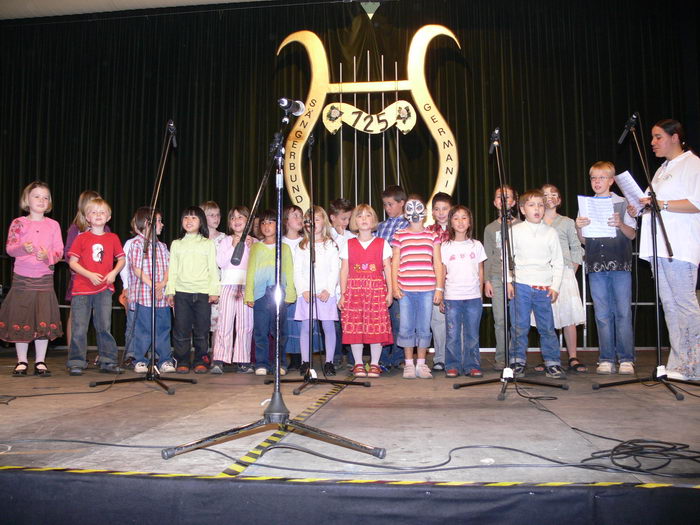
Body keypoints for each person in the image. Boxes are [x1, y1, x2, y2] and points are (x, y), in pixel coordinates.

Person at [629, 119, 700, 380]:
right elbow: (652, 202)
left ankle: (695, 364)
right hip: (658, 247)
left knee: (685, 305)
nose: (653, 142)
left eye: (658, 137)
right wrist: (638, 207)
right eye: (653, 137)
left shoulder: (693, 164)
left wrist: (662, 203)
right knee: (670, 306)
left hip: (679, 247)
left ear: (675, 137)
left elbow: (696, 202)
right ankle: (679, 363)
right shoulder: (661, 170)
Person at [576, 161, 636, 375]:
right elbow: (583, 241)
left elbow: (632, 234)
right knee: (602, 314)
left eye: (602, 178)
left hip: (620, 264)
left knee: (622, 312)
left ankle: (627, 358)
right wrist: (578, 227)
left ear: (611, 180)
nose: (597, 182)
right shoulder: (586, 204)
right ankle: (606, 357)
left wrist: (621, 224)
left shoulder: (624, 203)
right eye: (593, 178)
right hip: (595, 265)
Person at [0, 182, 63, 377]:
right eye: (37, 196)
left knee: (42, 321)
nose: (41, 200)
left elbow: (59, 252)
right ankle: (21, 360)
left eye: (46, 197)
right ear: (27, 200)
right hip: (22, 280)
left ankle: (41, 361)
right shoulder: (18, 223)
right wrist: (22, 249)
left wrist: (47, 256)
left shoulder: (53, 225)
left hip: (44, 280)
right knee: (21, 319)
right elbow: (10, 248)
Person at [507, 190, 566, 379]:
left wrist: (555, 286)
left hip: (543, 287)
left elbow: (558, 261)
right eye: (532, 205)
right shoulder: (514, 231)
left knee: (547, 327)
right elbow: (506, 259)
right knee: (519, 326)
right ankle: (517, 360)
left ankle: (552, 362)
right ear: (523, 209)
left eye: (541, 205)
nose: (537, 209)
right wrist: (509, 282)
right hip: (521, 285)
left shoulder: (551, 232)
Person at [66, 198, 125, 375]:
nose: (98, 215)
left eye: (102, 212)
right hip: (82, 289)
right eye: (93, 212)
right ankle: (76, 361)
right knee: (79, 326)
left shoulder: (112, 238)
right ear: (87, 217)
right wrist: (89, 274)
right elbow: (73, 262)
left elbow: (121, 259)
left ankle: (108, 360)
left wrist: (113, 273)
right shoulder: (81, 238)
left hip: (104, 289)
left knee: (103, 325)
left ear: (108, 217)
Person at [532, 184, 586, 373]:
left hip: (565, 273)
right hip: (542, 275)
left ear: (559, 200)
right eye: (545, 195)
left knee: (569, 316)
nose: (549, 198)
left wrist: (572, 269)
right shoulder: (535, 222)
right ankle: (548, 356)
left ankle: (573, 357)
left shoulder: (567, 222)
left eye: (553, 194)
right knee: (545, 317)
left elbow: (576, 247)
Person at [391, 195, 444, 379]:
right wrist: (394, 286)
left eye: (418, 208)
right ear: (405, 213)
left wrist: (439, 288)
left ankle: (421, 364)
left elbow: (438, 262)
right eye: (410, 209)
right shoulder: (399, 235)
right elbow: (395, 261)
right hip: (405, 289)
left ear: (425, 213)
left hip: (427, 290)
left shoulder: (432, 235)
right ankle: (408, 364)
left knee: (423, 327)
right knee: (406, 326)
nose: (415, 213)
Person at [338, 204, 393, 378]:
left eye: (368, 215)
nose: (363, 219)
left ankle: (375, 364)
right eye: (359, 216)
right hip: (354, 291)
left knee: (375, 328)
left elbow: (388, 269)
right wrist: (343, 294)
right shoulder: (348, 244)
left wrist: (390, 291)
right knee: (356, 329)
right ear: (354, 220)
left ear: (374, 220)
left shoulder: (382, 243)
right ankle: (358, 363)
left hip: (376, 290)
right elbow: (344, 270)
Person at [166, 206, 220, 374]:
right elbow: (172, 269)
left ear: (201, 222)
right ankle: (182, 360)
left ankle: (201, 359)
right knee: (181, 329)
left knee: (202, 330)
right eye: (186, 218)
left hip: (203, 293)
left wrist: (214, 291)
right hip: (182, 293)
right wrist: (170, 291)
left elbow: (213, 268)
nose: (189, 221)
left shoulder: (207, 243)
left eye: (193, 218)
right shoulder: (176, 244)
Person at [245, 209, 296, 376]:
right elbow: (250, 271)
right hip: (260, 294)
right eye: (263, 223)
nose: (267, 226)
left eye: (271, 222)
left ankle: (280, 363)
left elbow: (288, 271)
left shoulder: (285, 248)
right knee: (260, 330)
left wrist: (290, 293)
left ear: (278, 225)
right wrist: (249, 294)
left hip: (278, 292)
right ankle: (261, 363)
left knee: (279, 331)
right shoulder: (256, 248)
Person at [294, 206, 341, 376]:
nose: (312, 223)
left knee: (328, 327)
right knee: (306, 327)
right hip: (307, 293)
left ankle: (328, 361)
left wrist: (328, 289)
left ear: (324, 222)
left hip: (325, 293)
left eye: (317, 219)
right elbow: (297, 271)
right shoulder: (302, 246)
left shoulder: (330, 244)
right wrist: (303, 290)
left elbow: (334, 269)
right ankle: (305, 361)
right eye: (308, 220)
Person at [441, 205, 487, 377]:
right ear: (451, 223)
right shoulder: (445, 247)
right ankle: (452, 365)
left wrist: (480, 294)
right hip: (452, 297)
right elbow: (443, 272)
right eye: (456, 218)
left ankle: (472, 365)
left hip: (473, 296)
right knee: (452, 334)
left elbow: (480, 271)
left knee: (472, 334)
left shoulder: (476, 245)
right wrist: (442, 295)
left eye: (464, 218)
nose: (460, 222)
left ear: (470, 222)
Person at [128, 207, 175, 374]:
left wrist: (163, 283)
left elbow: (170, 266)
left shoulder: (162, 246)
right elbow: (136, 268)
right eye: (159, 221)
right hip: (144, 296)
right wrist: (152, 284)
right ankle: (140, 359)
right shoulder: (136, 244)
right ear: (148, 223)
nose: (162, 224)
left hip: (161, 297)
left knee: (163, 329)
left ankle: (164, 360)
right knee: (143, 329)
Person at [212, 206, 255, 374]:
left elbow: (255, 265)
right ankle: (220, 359)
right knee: (225, 323)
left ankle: (243, 360)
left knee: (246, 325)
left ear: (248, 222)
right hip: (228, 285)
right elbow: (221, 262)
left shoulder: (254, 242)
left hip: (246, 287)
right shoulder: (225, 240)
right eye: (233, 218)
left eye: (241, 217)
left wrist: (249, 246)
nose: (236, 221)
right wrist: (233, 246)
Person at [64, 190, 109, 348]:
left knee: (101, 318)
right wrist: (82, 273)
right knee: (77, 317)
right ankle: (73, 351)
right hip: (80, 280)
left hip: (100, 281)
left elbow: (109, 255)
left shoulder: (106, 230)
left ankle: (101, 352)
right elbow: (68, 254)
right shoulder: (76, 229)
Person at [483, 186, 520, 370]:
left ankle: (516, 356)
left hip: (518, 278)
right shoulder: (490, 228)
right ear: (494, 202)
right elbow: (488, 256)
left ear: (513, 202)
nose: (503, 200)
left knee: (517, 319)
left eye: (507, 197)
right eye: (499, 196)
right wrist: (487, 280)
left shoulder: (521, 226)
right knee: (500, 319)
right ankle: (501, 357)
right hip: (497, 277)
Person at [375, 185, 409, 370]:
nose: (387, 208)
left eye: (390, 204)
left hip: (398, 280)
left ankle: (397, 356)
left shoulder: (407, 225)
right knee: (382, 321)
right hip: (381, 280)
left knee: (398, 320)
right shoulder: (381, 226)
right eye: (385, 205)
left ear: (401, 203)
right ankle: (381, 356)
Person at [328, 198, 356, 369]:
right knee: (335, 325)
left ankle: (354, 358)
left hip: (348, 286)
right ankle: (336, 356)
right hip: (332, 287)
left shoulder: (352, 237)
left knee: (350, 323)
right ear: (332, 217)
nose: (346, 222)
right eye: (344, 218)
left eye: (349, 219)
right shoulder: (326, 235)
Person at [426, 192, 452, 372]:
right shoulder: (427, 232)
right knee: (438, 321)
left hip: (457, 281)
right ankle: (440, 358)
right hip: (436, 283)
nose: (441, 212)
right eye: (437, 209)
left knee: (458, 322)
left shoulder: (459, 229)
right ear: (432, 212)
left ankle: (457, 357)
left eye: (445, 208)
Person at [200, 201, 226, 362]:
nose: (215, 218)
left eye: (217, 215)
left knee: (218, 324)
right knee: (202, 324)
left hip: (218, 286)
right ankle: (202, 355)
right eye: (211, 215)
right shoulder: (197, 238)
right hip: (201, 286)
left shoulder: (224, 238)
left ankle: (217, 356)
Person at [282, 205, 305, 370]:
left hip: (302, 289)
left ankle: (302, 359)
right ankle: (289, 358)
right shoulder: (279, 241)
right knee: (287, 324)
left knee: (301, 325)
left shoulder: (306, 241)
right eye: (294, 216)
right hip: (285, 289)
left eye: (300, 216)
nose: (299, 219)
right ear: (286, 221)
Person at [118, 214, 139, 368]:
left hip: (151, 294)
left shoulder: (160, 245)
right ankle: (131, 354)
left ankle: (153, 355)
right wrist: (126, 287)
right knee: (132, 324)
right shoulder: (130, 244)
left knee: (151, 325)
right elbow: (123, 266)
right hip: (133, 291)